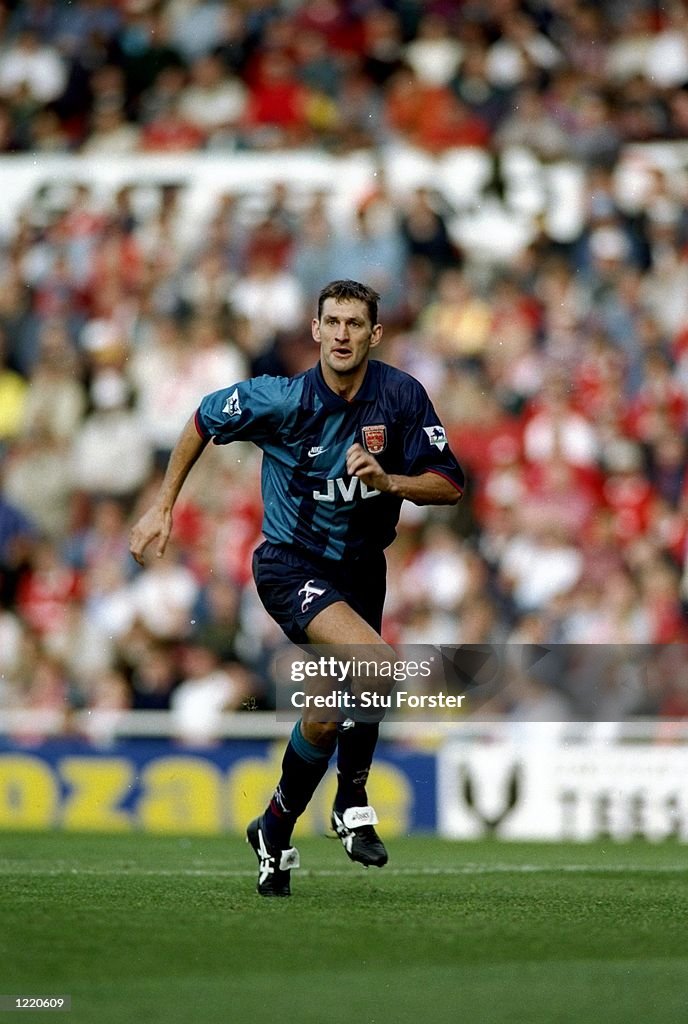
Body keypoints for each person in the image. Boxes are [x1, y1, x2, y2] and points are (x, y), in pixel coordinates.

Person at [129, 279, 464, 896]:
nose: (341, 334)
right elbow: (202, 418)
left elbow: (450, 482)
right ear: (315, 330)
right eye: (331, 322)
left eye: (354, 324)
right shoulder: (280, 400)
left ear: (374, 333)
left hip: (363, 568)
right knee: (377, 667)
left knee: (326, 716)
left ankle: (275, 831)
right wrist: (163, 505)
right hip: (290, 563)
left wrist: (390, 482)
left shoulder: (402, 395)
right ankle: (352, 803)